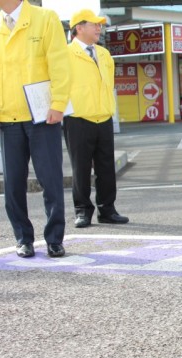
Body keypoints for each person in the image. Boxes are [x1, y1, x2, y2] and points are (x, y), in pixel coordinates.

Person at [0, 0, 70, 258]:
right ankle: (23, 238)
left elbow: (59, 64)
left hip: (43, 117)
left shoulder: (45, 18)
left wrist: (58, 103)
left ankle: (54, 238)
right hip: (7, 117)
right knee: (12, 185)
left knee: (51, 180)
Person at [63, 9, 129, 228]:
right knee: (80, 167)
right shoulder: (65, 54)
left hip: (104, 117)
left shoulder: (104, 54)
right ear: (79, 28)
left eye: (100, 25)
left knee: (106, 166)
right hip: (78, 118)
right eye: (94, 24)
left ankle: (107, 210)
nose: (99, 28)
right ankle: (82, 211)